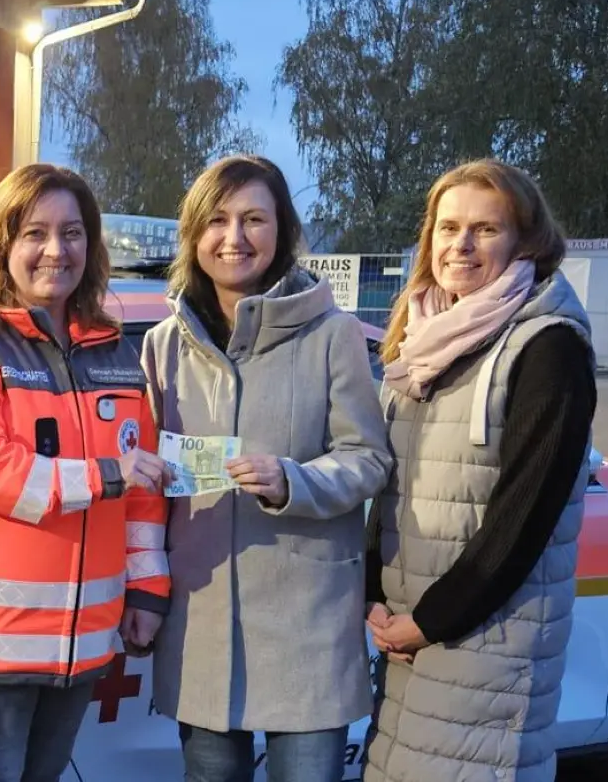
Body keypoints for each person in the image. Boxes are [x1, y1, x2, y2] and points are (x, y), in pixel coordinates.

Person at [0, 163, 170, 781]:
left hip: (84, 642)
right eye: (35, 232)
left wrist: (147, 588)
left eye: (73, 232)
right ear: (4, 245)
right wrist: (108, 473)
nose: (56, 250)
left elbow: (144, 496)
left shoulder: (114, 351)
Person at [141, 155, 392, 782]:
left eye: (254, 218)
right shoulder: (162, 346)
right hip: (201, 620)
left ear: (282, 230)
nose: (234, 238)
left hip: (305, 620)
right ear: (194, 235)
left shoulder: (333, 335)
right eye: (217, 220)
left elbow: (369, 459)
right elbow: (147, 485)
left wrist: (293, 481)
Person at [364, 159, 597, 782]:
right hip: (411, 635)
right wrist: (374, 596)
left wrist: (430, 621)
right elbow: (389, 481)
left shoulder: (548, 347)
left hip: (485, 645)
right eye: (447, 228)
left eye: (485, 230)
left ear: (526, 240)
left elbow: (525, 514)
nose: (460, 245)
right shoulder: (422, 340)